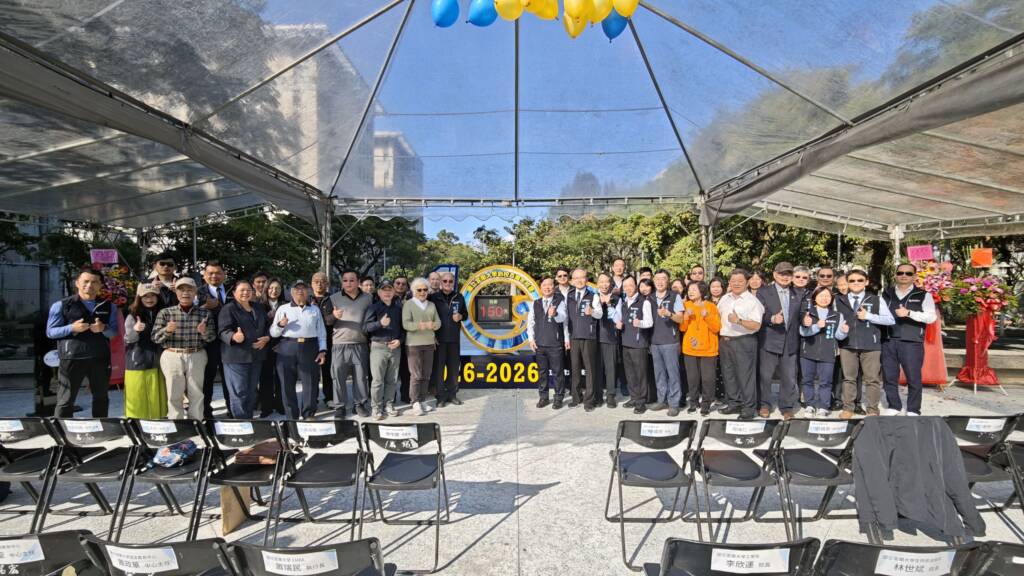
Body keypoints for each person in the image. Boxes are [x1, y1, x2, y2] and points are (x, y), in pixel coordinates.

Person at [47, 267, 118, 417]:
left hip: (100, 357)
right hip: (71, 357)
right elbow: (50, 332)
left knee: (101, 398)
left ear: (100, 285)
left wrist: (103, 328)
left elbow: (113, 333)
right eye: (85, 281)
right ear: (77, 283)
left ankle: (101, 426)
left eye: (94, 282)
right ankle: (62, 428)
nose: (89, 285)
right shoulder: (61, 305)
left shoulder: (109, 306)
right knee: (65, 400)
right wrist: (71, 328)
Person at [152, 278, 215, 420]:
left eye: (189, 290)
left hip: (197, 354)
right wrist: (167, 330)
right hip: (172, 355)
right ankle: (177, 423)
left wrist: (204, 332)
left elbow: (211, 338)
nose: (185, 293)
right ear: (176, 292)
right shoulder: (165, 313)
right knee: (173, 392)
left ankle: (196, 422)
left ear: (195, 292)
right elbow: (155, 338)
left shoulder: (205, 313)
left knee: (196, 392)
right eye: (181, 290)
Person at [836, 268, 894, 419]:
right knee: (848, 378)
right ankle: (848, 408)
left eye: (860, 280)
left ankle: (872, 409)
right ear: (847, 283)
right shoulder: (839, 300)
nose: (856, 283)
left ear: (866, 282)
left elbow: (890, 320)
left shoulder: (876, 299)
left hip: (871, 345)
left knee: (872, 379)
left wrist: (869, 316)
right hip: (847, 345)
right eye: (852, 280)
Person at [881, 263, 936, 416]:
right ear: (895, 275)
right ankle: (894, 405)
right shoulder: (886, 293)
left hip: (911, 342)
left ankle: (913, 408)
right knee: (889, 376)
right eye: (900, 273)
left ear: (914, 276)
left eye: (908, 273)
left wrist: (909, 313)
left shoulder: (923, 295)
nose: (904, 276)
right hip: (888, 340)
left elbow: (931, 317)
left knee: (913, 377)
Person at [270, 280, 328, 419]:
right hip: (287, 347)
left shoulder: (314, 310)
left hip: (309, 347)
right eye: (297, 289)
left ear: (308, 292)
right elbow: (273, 333)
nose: (300, 291)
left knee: (311, 383)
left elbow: (321, 332)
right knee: (286, 384)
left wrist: (322, 350)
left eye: (303, 289)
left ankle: (308, 414)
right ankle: (292, 416)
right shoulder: (283, 309)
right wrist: (280, 325)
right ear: (291, 292)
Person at [218, 281, 271, 419]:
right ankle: (242, 422)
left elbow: (267, 326)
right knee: (239, 392)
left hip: (256, 356)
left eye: (248, 290)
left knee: (252, 391)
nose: (246, 292)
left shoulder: (258, 307)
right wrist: (234, 336)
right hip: (236, 357)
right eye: (242, 290)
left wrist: (267, 338)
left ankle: (249, 419)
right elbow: (223, 331)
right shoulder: (228, 309)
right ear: (234, 293)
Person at [756, 262, 802, 419]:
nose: (785, 277)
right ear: (775, 275)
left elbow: (801, 314)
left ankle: (787, 407)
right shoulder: (763, 292)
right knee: (765, 376)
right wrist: (771, 319)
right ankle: (765, 405)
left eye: (788, 274)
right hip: (769, 340)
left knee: (789, 377)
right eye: (782, 274)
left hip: (790, 341)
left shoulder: (798, 293)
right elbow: (758, 315)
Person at [717, 269, 764, 420]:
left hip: (743, 341)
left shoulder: (752, 301)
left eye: (740, 281)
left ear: (747, 282)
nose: (736, 284)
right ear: (729, 283)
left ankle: (749, 408)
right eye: (733, 281)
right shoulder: (725, 298)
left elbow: (756, 325)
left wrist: (738, 321)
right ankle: (733, 403)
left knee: (745, 376)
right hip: (725, 341)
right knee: (728, 375)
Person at [330, 270, 373, 418]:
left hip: (360, 343)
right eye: (345, 280)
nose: (348, 283)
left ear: (358, 282)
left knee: (361, 377)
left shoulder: (368, 298)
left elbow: (372, 319)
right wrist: (333, 316)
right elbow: (326, 320)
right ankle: (340, 406)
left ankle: (359, 405)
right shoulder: (334, 298)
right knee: (338, 377)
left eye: (351, 280)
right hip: (339, 343)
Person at [800, 286, 848, 417]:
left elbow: (838, 336)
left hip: (828, 353)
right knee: (807, 380)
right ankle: (809, 405)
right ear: (814, 298)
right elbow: (802, 332)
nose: (824, 298)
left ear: (831, 299)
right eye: (821, 295)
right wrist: (816, 326)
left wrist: (844, 331)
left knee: (826, 382)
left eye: (827, 296)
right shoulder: (807, 313)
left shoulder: (837, 315)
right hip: (808, 351)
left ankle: (823, 406)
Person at [124, 283, 167, 419]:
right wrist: (136, 330)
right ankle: (136, 422)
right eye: (145, 296)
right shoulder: (133, 315)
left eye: (153, 295)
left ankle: (158, 421)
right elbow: (128, 339)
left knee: (158, 395)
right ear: (139, 298)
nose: (149, 299)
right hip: (138, 360)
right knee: (137, 394)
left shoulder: (164, 313)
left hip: (159, 361)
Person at [364, 280, 404, 420]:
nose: (387, 292)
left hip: (395, 347)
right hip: (379, 347)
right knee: (377, 380)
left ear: (393, 292)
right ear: (379, 293)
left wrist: (400, 341)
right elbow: (366, 327)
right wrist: (380, 323)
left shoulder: (398, 309)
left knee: (392, 380)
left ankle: (389, 405)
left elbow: (403, 329)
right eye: (384, 290)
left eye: (389, 290)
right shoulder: (373, 308)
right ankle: (376, 407)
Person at [528, 276, 570, 408]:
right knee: (542, 373)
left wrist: (555, 314)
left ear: (554, 287)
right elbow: (530, 323)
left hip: (555, 344)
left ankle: (558, 398)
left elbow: (563, 319)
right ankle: (543, 397)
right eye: (544, 285)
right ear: (540, 288)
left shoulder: (560, 301)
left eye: (550, 285)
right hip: (540, 344)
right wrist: (531, 339)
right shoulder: (535, 303)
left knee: (558, 373)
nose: (547, 287)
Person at [565, 268, 603, 411]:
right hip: (574, 337)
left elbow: (600, 314)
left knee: (590, 370)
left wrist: (592, 311)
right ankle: (576, 398)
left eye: (582, 277)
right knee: (575, 369)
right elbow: (565, 318)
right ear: (572, 281)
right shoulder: (569, 296)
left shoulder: (593, 295)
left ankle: (589, 401)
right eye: (576, 278)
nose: (579, 281)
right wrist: (566, 337)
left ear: (586, 279)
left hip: (589, 337)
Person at [403, 278, 441, 416]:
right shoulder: (408, 304)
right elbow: (406, 324)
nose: (422, 292)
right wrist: (419, 326)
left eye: (425, 289)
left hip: (429, 343)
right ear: (414, 291)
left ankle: (423, 400)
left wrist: (433, 325)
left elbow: (438, 322)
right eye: (419, 290)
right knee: (416, 375)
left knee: (426, 374)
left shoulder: (431, 305)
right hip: (414, 344)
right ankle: (415, 402)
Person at [197, 260, 230, 419]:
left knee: (229, 378)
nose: (214, 276)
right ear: (204, 275)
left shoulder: (233, 291)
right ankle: (206, 413)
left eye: (218, 273)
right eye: (210, 273)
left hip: (230, 342)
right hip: (207, 342)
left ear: (224, 275)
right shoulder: (198, 293)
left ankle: (233, 410)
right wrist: (203, 307)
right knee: (207, 378)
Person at [681, 281, 720, 416]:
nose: (690, 292)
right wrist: (686, 316)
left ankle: (706, 404)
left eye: (694, 289)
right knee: (692, 378)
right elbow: (682, 328)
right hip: (690, 349)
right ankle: (693, 402)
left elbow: (717, 328)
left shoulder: (711, 306)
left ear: (702, 291)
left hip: (708, 350)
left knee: (708, 379)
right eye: (689, 289)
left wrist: (707, 316)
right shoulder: (685, 305)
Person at [649, 269, 685, 416]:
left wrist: (669, 313)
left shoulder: (674, 296)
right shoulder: (650, 297)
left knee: (673, 374)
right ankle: (661, 400)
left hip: (670, 341)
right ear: (653, 281)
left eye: (663, 278)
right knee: (659, 374)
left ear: (668, 281)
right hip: (654, 342)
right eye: (657, 278)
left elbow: (680, 319)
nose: (660, 281)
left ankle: (674, 403)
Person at [430, 272, 467, 408]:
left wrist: (461, 316)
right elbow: (428, 317)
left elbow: (466, 314)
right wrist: (432, 336)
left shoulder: (459, 297)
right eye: (445, 281)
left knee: (453, 369)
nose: (447, 283)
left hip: (454, 339)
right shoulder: (433, 298)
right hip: (439, 340)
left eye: (450, 281)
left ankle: (452, 395)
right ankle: (440, 397)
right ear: (441, 282)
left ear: (454, 283)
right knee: (438, 370)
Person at [616, 276, 652, 414]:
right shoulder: (624, 303)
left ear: (636, 286)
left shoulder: (644, 302)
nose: (628, 288)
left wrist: (640, 323)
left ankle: (641, 402)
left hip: (639, 344)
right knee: (630, 374)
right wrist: (618, 324)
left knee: (640, 375)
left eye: (630, 285)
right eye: (625, 286)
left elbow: (649, 322)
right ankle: (634, 397)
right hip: (626, 343)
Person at [258, 278, 287, 417]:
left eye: (277, 288)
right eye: (271, 288)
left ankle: (281, 405)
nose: (274, 291)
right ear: (266, 289)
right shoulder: (259, 305)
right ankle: (266, 407)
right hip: (264, 344)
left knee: (282, 377)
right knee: (265, 377)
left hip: (282, 345)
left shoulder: (286, 305)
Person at [595, 272, 621, 408]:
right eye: (601, 282)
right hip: (594, 338)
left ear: (611, 283)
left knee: (610, 369)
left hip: (610, 337)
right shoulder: (593, 297)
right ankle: (598, 396)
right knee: (596, 369)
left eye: (607, 282)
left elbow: (618, 318)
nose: (604, 284)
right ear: (597, 284)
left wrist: (610, 305)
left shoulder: (616, 298)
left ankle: (611, 396)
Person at [309, 271, 335, 408]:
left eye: (323, 281)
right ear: (311, 284)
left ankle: (329, 398)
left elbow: (334, 320)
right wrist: (329, 319)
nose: (319, 284)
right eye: (316, 281)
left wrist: (330, 319)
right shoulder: (306, 299)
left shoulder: (333, 299)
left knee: (328, 371)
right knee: (311, 373)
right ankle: (312, 399)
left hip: (329, 340)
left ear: (327, 284)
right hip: (310, 341)